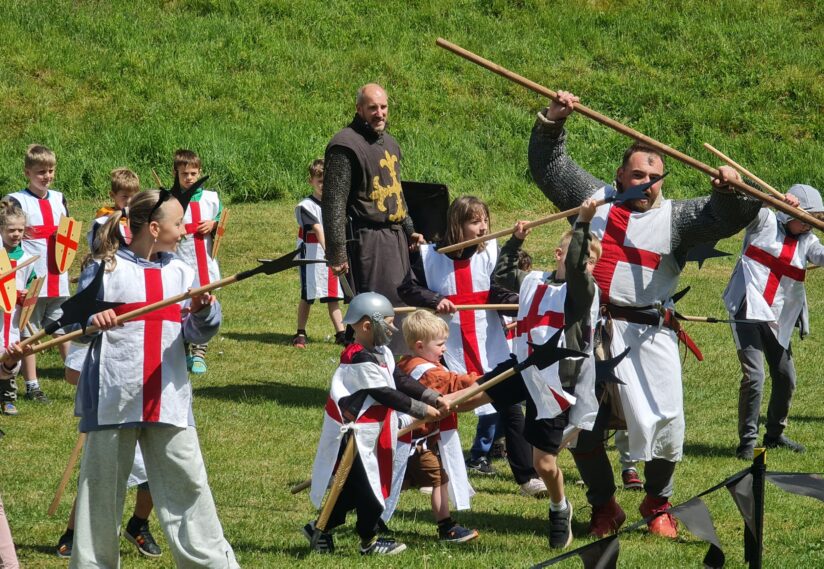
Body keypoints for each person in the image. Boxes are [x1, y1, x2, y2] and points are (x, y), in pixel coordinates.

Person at [528, 91, 762, 538]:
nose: (647, 183)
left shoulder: (677, 218)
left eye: (655, 177)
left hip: (648, 333)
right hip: (591, 330)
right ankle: (604, 506)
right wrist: (553, 121)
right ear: (620, 175)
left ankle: (656, 502)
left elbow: (728, 216)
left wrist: (729, 189)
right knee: (585, 424)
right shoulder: (592, 199)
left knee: (665, 422)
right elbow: (549, 166)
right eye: (638, 174)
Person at [69, 190, 238, 568]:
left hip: (168, 398)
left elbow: (196, 332)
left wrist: (202, 312)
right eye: (178, 223)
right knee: (100, 495)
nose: (184, 230)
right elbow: (72, 326)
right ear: (155, 228)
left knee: (190, 489)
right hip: (112, 397)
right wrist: (92, 320)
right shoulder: (105, 268)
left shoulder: (181, 272)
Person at [398, 195, 547, 498]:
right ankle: (428, 471)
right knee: (436, 406)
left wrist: (520, 303)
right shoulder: (429, 256)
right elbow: (407, 288)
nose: (483, 228)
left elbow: (498, 291)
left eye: (485, 220)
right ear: (457, 224)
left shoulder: (490, 251)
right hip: (444, 344)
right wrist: (434, 299)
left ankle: (527, 477)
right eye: (475, 222)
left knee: (511, 407)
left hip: (488, 341)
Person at [489, 199, 603, 549]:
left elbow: (577, 268)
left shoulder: (583, 290)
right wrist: (515, 241)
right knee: (465, 396)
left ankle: (559, 507)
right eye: (579, 255)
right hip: (524, 367)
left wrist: (583, 223)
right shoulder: (535, 281)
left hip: (555, 383)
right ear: (557, 254)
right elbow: (503, 277)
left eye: (591, 259)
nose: (584, 262)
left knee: (545, 464)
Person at [305, 292, 448, 556]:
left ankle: (319, 527)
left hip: (376, 430)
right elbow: (384, 393)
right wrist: (423, 410)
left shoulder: (381, 352)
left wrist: (432, 396)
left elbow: (400, 380)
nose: (393, 329)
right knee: (371, 489)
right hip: (357, 435)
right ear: (367, 326)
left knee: (351, 490)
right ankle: (368, 541)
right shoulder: (357, 357)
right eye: (389, 324)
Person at [321, 83, 424, 353]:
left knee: (401, 307)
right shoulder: (345, 145)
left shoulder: (390, 143)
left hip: (396, 240)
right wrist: (337, 252)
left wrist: (409, 228)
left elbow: (396, 192)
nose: (379, 113)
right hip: (369, 243)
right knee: (374, 311)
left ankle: (398, 366)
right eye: (372, 108)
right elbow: (334, 204)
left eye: (383, 107)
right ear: (359, 109)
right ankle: (369, 365)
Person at [723, 184, 824, 460]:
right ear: (788, 212)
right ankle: (747, 443)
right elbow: (742, 205)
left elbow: (821, 255)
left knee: (786, 377)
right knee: (755, 377)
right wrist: (770, 199)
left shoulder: (808, 241)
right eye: (805, 219)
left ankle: (775, 434)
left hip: (777, 318)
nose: (808, 225)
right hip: (747, 309)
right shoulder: (764, 221)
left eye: (814, 220)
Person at [392, 310, 480, 544]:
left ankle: (370, 515)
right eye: (440, 344)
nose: (444, 349)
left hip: (407, 440)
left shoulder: (406, 363)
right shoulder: (428, 372)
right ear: (420, 346)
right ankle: (446, 527)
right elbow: (454, 383)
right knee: (439, 479)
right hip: (413, 442)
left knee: (400, 482)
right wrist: (482, 380)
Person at [5, 144, 72, 404]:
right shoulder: (15, 200)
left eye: (51, 171)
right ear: (28, 173)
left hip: (58, 275)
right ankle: (32, 385)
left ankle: (77, 377)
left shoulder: (59, 198)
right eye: (41, 172)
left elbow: (68, 234)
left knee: (62, 328)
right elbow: (8, 237)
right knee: (28, 333)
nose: (47, 176)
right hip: (30, 278)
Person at [172, 149, 223, 374]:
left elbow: (221, 220)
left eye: (193, 173)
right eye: (184, 174)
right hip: (181, 259)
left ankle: (199, 352)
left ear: (199, 172)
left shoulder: (211, 198)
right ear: (176, 173)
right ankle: (182, 348)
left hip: (204, 261)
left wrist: (213, 225)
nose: (189, 178)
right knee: (181, 305)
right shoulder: (171, 200)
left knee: (204, 304)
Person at [293, 159, 345, 348]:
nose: (323, 185)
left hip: (330, 255)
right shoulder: (305, 206)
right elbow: (317, 228)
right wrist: (329, 251)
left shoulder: (335, 205)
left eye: (327, 181)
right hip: (311, 255)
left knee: (333, 296)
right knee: (308, 295)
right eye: (320, 181)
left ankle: (341, 333)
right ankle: (300, 332)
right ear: (311, 181)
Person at [0, 201, 37, 416]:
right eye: (11, 230)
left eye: (20, 230)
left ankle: (7, 398)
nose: (16, 234)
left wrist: (25, 296)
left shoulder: (26, 258)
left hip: (13, 316)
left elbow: (31, 284)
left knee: (11, 353)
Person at [87, 167, 141, 248]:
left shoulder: (138, 215)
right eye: (125, 196)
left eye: (133, 196)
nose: (129, 201)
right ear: (112, 195)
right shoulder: (106, 215)